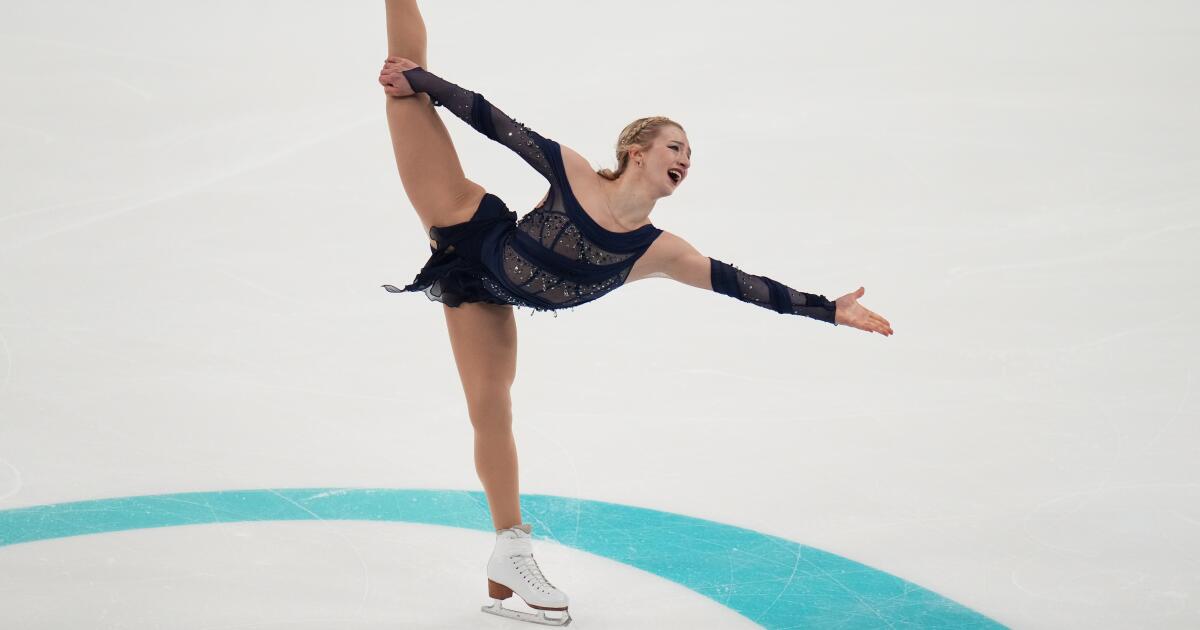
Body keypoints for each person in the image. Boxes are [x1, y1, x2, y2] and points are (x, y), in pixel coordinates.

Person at [378, 1, 894, 625]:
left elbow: (744, 285)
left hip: (490, 295)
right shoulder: (574, 175)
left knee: (492, 410)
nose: (684, 159)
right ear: (636, 151)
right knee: (403, 90)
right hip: (462, 222)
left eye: (691, 154)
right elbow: (493, 121)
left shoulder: (659, 251)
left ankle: (509, 554)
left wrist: (828, 310)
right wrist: (425, 83)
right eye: (675, 146)